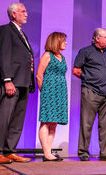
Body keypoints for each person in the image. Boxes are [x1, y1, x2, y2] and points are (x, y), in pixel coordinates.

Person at [0, 2, 35, 164]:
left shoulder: (22, 33)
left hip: (23, 82)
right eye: (23, 11)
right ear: (13, 14)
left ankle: (9, 150)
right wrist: (7, 80)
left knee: (18, 118)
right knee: (5, 116)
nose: (26, 14)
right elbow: (4, 55)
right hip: (11, 81)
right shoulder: (5, 30)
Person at [72, 28, 106, 161]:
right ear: (97, 38)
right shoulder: (85, 51)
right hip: (91, 91)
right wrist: (90, 79)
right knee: (86, 123)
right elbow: (76, 70)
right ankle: (83, 152)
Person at [36, 32, 68, 162]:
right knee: (46, 121)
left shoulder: (63, 57)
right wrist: (44, 92)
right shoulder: (47, 55)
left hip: (61, 92)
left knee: (54, 123)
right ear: (56, 41)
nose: (65, 43)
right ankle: (46, 152)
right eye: (63, 41)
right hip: (49, 91)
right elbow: (39, 75)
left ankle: (49, 153)